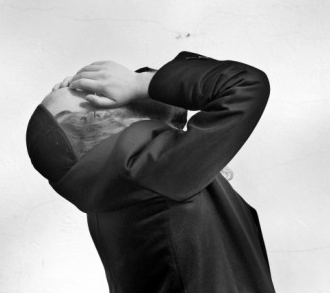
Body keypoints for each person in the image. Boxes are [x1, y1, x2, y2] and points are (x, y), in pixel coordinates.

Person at [26, 51, 276, 293]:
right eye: (82, 91)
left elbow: (168, 109)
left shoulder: (112, 189)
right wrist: (140, 83)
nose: (78, 81)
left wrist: (143, 86)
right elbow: (245, 83)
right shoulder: (143, 170)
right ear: (92, 126)